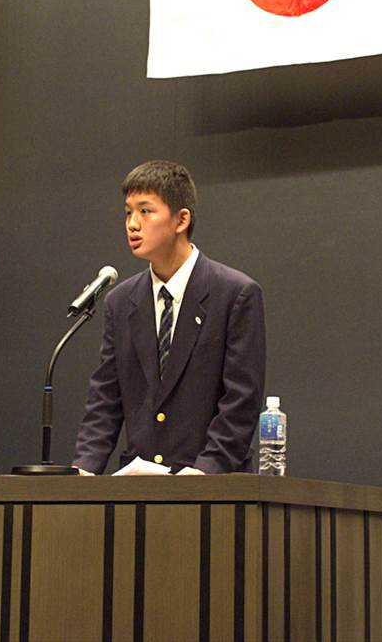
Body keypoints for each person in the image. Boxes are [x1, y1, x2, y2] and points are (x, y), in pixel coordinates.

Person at [73, 160, 266, 475]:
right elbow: (105, 399)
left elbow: (241, 401)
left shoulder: (235, 294)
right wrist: (84, 468)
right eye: (128, 212)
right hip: (140, 488)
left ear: (181, 219)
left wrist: (207, 469)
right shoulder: (120, 302)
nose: (132, 224)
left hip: (214, 487)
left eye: (145, 211)